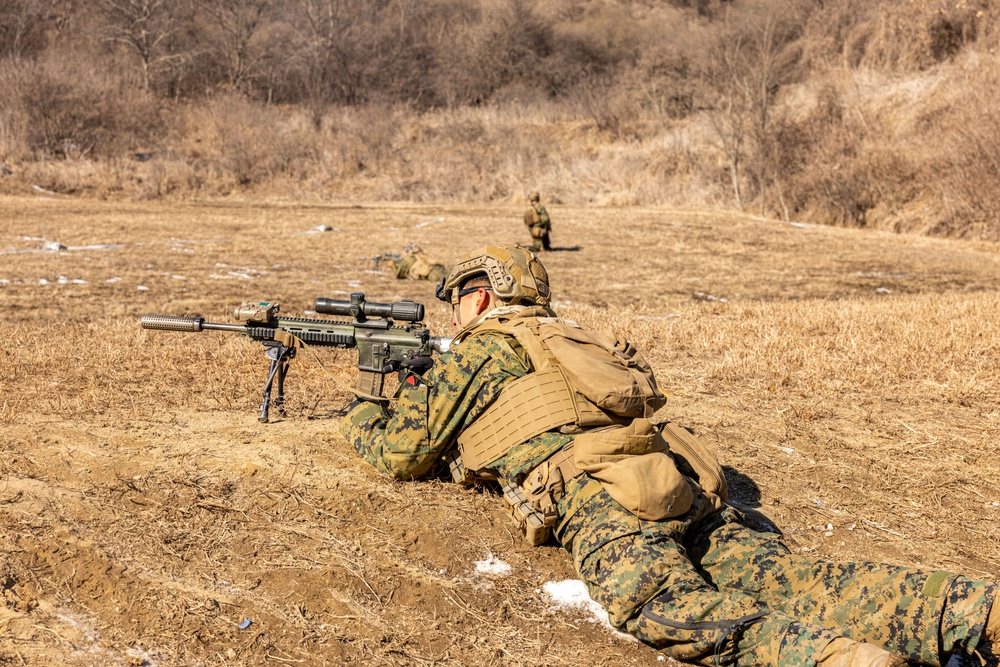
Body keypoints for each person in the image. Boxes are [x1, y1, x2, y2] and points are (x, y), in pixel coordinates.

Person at [340, 245, 998, 667]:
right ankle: (974, 611)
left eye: (458, 300)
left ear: (481, 296)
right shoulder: (570, 336)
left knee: (661, 604)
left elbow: (403, 453)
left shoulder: (488, 347)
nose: (454, 314)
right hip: (676, 481)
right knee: (801, 579)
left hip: (604, 497)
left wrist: (366, 407)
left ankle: (832, 660)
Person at [379, 245, 447, 282]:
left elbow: (398, 274)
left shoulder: (409, 260)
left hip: (434, 275)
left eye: (405, 252)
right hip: (439, 271)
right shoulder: (419, 256)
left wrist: (392, 266)